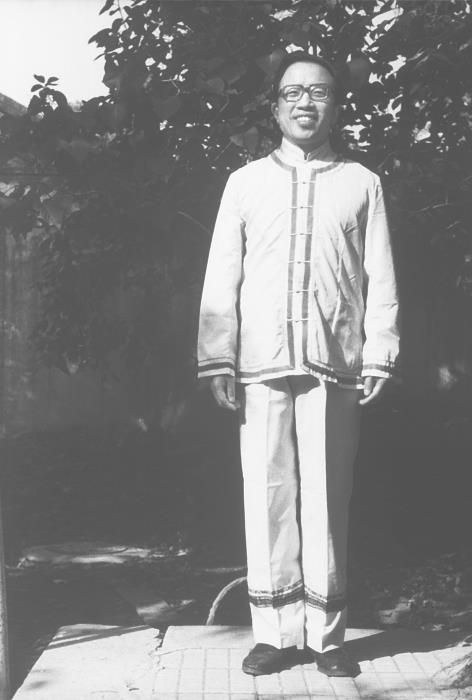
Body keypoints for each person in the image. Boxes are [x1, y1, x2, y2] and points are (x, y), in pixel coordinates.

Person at [197, 51, 399, 677]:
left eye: (319, 92)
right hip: (260, 361)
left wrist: (380, 349)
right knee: (267, 494)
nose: (305, 103)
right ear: (275, 106)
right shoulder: (244, 182)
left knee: (328, 497)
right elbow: (221, 275)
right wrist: (217, 356)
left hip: (334, 360)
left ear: (336, 106)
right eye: (292, 92)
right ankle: (275, 634)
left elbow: (381, 274)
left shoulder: (362, 182)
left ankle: (327, 638)